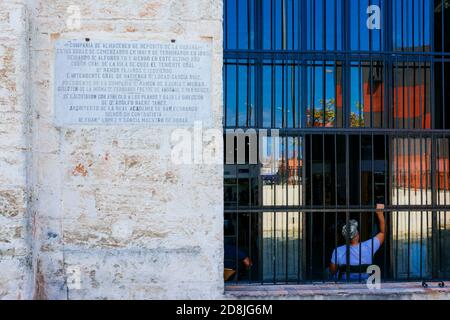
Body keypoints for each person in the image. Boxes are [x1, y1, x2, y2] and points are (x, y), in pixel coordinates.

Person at [329, 204, 386, 280]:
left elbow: (333, 271)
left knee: (327, 272)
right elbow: (383, 232)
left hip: (345, 283)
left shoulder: (338, 251)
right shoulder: (369, 246)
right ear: (358, 235)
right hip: (364, 283)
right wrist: (380, 213)